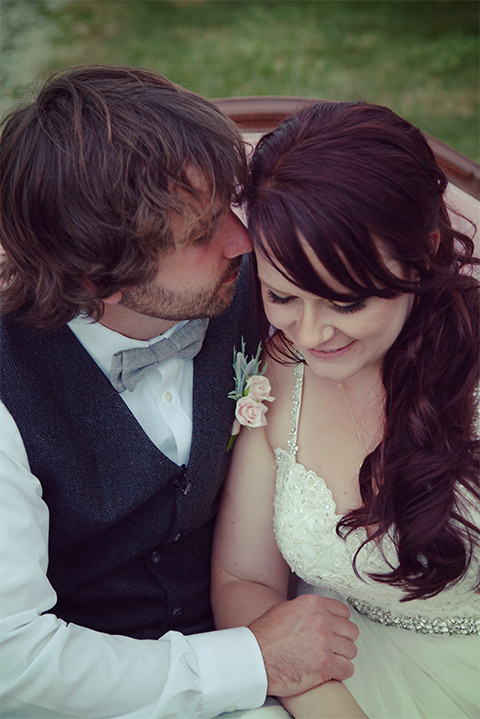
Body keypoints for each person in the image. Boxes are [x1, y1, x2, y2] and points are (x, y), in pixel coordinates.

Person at [0, 67, 360, 719]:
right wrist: (249, 659)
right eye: (202, 234)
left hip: (295, 637)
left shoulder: (267, 292)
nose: (242, 241)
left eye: (229, 206)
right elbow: (13, 659)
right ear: (97, 275)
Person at [212, 101, 480, 718]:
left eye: (348, 301)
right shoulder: (282, 370)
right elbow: (243, 581)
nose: (311, 333)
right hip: (342, 682)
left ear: (423, 253)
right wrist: (321, 698)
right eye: (282, 295)